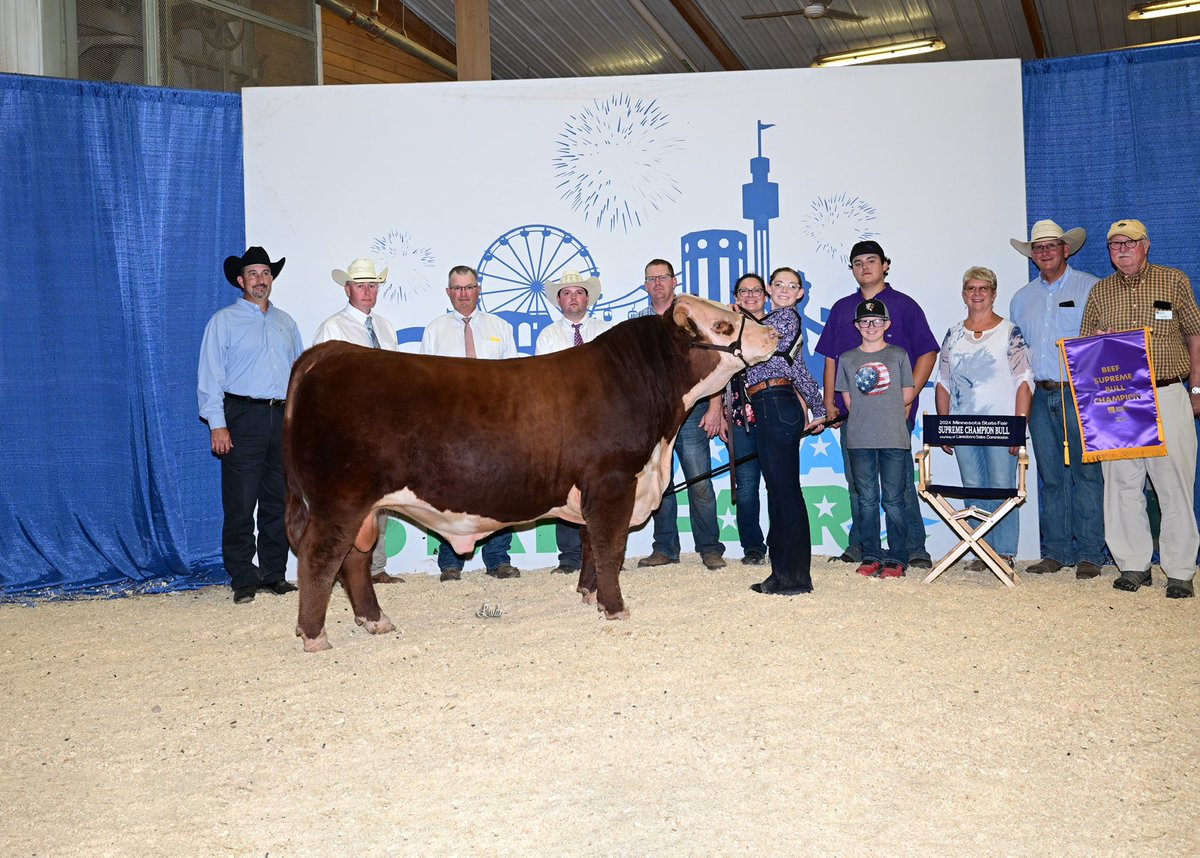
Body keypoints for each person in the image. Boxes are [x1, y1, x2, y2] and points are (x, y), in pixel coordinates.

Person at [1081, 219, 1200, 599]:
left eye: (1129, 243)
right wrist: (1096, 343)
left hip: (1166, 392)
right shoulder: (1101, 292)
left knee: (1174, 483)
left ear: (1146, 244)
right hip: (1118, 398)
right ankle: (1133, 565)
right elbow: (1086, 346)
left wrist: (1196, 387)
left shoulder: (1174, 281)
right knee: (1121, 484)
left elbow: (1194, 334)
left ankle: (1180, 569)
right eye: (1114, 245)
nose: (1122, 250)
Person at [815, 241, 939, 569]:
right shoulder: (843, 309)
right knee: (859, 485)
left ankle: (913, 549)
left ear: (886, 264)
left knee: (897, 488)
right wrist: (830, 401)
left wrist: (909, 394)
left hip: (896, 412)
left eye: (872, 261)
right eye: (857, 262)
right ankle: (861, 547)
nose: (865, 267)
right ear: (852, 269)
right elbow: (832, 358)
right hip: (855, 414)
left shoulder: (905, 306)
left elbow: (928, 350)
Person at [197, 246, 304, 604]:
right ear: (241, 281)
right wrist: (217, 423)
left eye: (266, 273)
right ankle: (243, 575)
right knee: (241, 503)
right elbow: (210, 376)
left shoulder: (286, 322)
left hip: (282, 415)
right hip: (242, 415)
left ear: (272, 280)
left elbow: (299, 376)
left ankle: (274, 573)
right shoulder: (223, 321)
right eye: (253, 274)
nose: (261, 280)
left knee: (278, 501)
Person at [1008, 220, 1106, 579]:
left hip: (1080, 391)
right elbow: (1018, 353)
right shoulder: (1022, 299)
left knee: (1087, 473)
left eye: (1052, 246)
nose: (1045, 252)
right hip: (1040, 390)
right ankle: (1057, 551)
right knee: (1050, 475)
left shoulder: (1091, 287)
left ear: (1066, 249)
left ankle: (1091, 553)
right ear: (1032, 255)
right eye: (1039, 248)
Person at [420, 265, 521, 581]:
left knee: (499, 488)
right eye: (457, 288)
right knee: (450, 491)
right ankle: (450, 562)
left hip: (494, 421)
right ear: (448, 293)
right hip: (451, 423)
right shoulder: (435, 330)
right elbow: (426, 380)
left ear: (479, 289)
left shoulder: (500, 327)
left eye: (468, 287)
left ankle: (498, 559)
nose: (463, 294)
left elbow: (514, 376)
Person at [935, 266, 1034, 570]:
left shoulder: (1010, 331)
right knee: (974, 487)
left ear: (993, 294)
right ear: (964, 294)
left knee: (1003, 487)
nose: (977, 294)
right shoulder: (953, 333)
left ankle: (1003, 553)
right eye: (971, 288)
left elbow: (1025, 381)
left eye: (983, 288)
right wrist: (945, 426)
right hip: (964, 426)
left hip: (1002, 426)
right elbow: (943, 381)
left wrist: (1018, 428)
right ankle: (982, 549)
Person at [312, 256, 403, 585]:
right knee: (347, 500)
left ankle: (375, 568)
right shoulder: (333, 327)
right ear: (347, 289)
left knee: (381, 497)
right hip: (349, 426)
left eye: (372, 286)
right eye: (361, 286)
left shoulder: (385, 327)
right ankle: (339, 566)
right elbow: (321, 382)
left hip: (383, 425)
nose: (367, 291)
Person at [740, 267, 827, 594]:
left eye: (792, 286)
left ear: (800, 293)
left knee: (785, 493)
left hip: (776, 401)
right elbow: (800, 369)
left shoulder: (784, 320)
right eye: (779, 284)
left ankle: (792, 578)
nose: (785, 290)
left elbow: (753, 344)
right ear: (769, 289)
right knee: (780, 492)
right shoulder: (778, 321)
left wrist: (735, 320)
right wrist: (817, 408)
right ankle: (785, 573)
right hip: (771, 403)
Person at [635, 258, 726, 570]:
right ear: (645, 285)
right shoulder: (638, 323)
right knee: (661, 483)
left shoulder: (693, 319)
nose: (657, 283)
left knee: (699, 480)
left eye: (663, 277)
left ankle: (710, 548)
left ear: (675, 282)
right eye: (651, 279)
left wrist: (715, 407)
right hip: (654, 415)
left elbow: (713, 365)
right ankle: (665, 548)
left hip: (691, 411)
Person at [535, 270, 610, 574]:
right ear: (559, 301)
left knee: (602, 485)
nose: (573, 298)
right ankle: (569, 556)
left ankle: (604, 552)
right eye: (566, 293)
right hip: (564, 420)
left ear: (587, 298)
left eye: (578, 292)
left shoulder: (607, 332)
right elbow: (544, 382)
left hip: (601, 419)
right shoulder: (548, 336)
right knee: (565, 487)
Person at [836, 298, 915, 578]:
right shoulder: (847, 359)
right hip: (860, 439)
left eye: (877, 321)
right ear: (857, 326)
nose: (871, 326)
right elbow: (849, 403)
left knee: (894, 499)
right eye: (865, 322)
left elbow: (907, 393)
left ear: (887, 325)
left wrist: (887, 414)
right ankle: (871, 554)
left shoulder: (898, 355)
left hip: (894, 437)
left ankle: (897, 557)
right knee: (866, 499)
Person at [724, 273, 770, 566]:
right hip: (741, 417)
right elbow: (718, 372)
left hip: (776, 414)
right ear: (736, 297)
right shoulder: (727, 330)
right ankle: (753, 546)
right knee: (747, 484)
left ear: (765, 295)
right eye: (744, 291)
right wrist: (718, 410)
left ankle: (783, 541)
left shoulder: (779, 325)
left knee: (780, 483)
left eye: (756, 290)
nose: (750, 295)